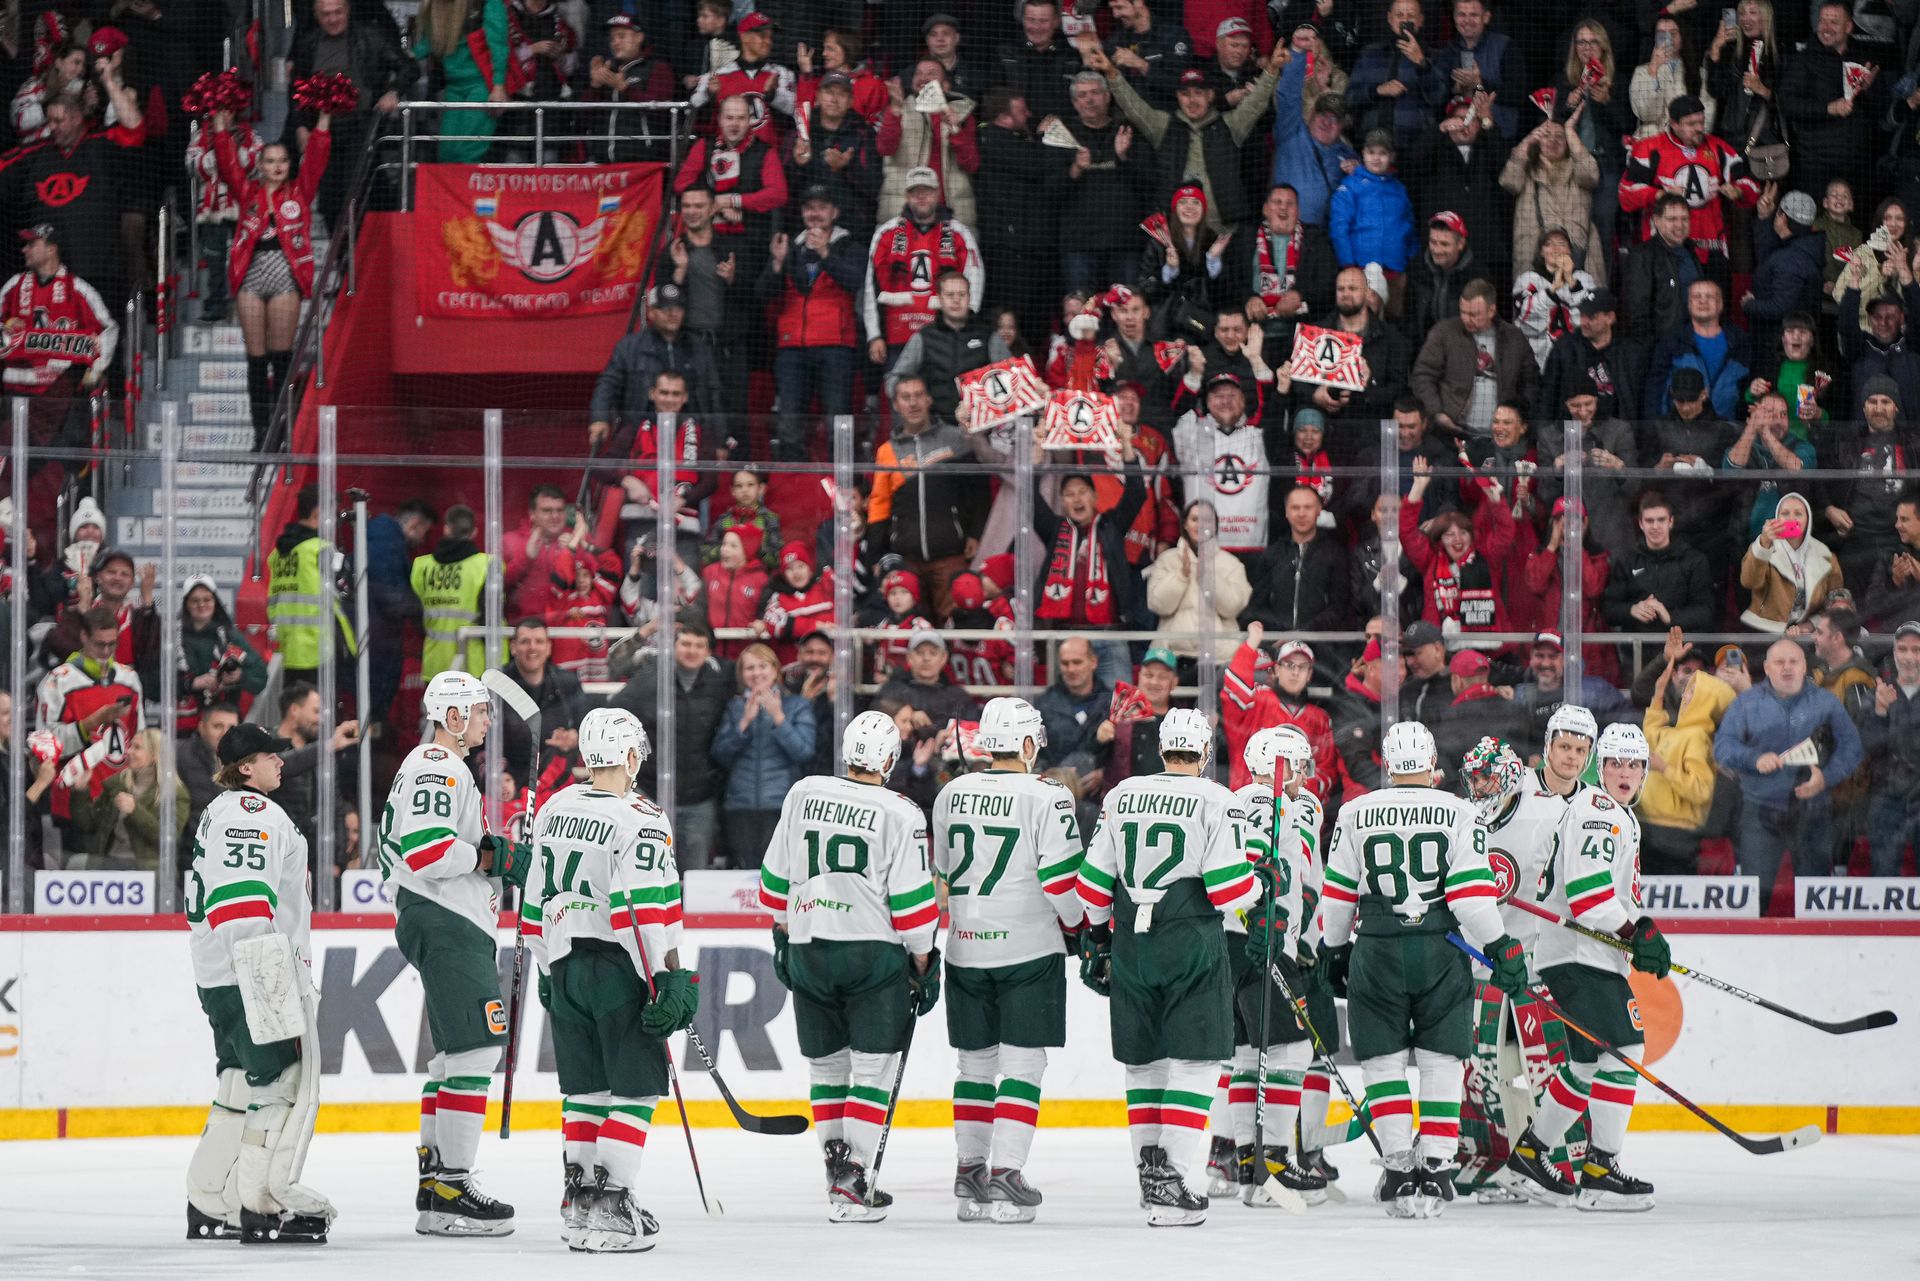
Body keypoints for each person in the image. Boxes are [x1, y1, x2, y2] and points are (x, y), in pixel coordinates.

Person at [1318, 720, 1526, 1218]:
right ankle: (1435, 1169)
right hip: (1440, 947)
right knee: (1441, 1061)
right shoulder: (1458, 811)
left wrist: (1334, 950)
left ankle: (1396, 1171)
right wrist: (1500, 946)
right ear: (1432, 763)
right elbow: (1473, 898)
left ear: (1388, 764)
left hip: (1377, 948)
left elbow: (1339, 894)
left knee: (1383, 1062)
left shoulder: (1354, 811)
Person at [1074, 708, 1258, 1225]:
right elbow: (1228, 890)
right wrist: (1260, 882)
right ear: (1203, 754)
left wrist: (1097, 936)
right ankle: (1172, 1178)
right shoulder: (1216, 799)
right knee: (1196, 1063)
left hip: (1132, 942)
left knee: (1145, 1062)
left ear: (1161, 750)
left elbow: (1090, 888)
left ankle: (1147, 1178)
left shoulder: (1122, 795)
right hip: (1190, 941)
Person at [760, 711, 939, 1221]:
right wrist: (923, 958)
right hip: (870, 953)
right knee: (872, 1067)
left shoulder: (804, 792)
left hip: (809, 948)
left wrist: (782, 934)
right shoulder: (901, 811)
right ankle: (855, 1177)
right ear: (888, 759)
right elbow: (913, 906)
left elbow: (773, 882)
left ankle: (835, 1166)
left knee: (826, 1064)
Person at [531, 707, 694, 1253]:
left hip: (564, 965)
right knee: (638, 1088)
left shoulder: (555, 807)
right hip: (618, 965)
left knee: (585, 1089)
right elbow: (645, 912)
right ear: (629, 755)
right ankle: (612, 1202)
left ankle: (579, 1200)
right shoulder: (641, 818)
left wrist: (545, 966)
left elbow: (532, 903)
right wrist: (668, 979)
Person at [376, 670, 523, 1235]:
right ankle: (453, 1189)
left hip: (443, 918)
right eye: (480, 711)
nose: (486, 720)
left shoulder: (440, 767)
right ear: (454, 717)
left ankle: (435, 1185)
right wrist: (492, 859)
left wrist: (494, 852)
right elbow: (427, 850)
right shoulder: (438, 764)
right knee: (475, 1051)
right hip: (445, 918)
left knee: (450, 1060)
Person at [1499, 723, 1669, 1210]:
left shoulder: (1611, 813)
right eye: (1614, 762)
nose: (1624, 772)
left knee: (1586, 1062)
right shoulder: (1601, 813)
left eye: (1634, 765)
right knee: (1626, 1049)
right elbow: (1589, 896)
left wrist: (1641, 933)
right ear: (1600, 766)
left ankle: (1530, 1157)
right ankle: (1598, 1171)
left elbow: (1610, 898)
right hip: (1579, 955)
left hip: (1575, 953)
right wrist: (1637, 934)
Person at [932, 696, 1085, 1222]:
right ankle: (1006, 1175)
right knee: (1023, 1062)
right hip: (1028, 947)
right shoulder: (1049, 795)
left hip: (965, 946)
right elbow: (1062, 882)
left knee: (973, 1061)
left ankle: (970, 1172)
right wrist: (1079, 927)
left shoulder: (951, 792)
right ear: (1025, 744)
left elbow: (942, 877)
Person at [184, 722, 335, 1243]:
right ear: (244, 767)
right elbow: (243, 905)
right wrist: (271, 979)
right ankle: (261, 1206)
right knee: (279, 1086)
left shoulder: (217, 811)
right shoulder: (253, 813)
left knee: (235, 1085)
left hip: (219, 972)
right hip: (253, 969)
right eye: (271, 756)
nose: (280, 763)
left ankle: (209, 1200)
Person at [1217, 725, 1328, 1207]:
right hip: (1261, 939)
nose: (1304, 776)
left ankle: (1249, 1163)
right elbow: (1267, 867)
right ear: (1286, 766)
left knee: (1246, 1053)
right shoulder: (1270, 803)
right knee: (1292, 1051)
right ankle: (1276, 1164)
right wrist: (1286, 926)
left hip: (1234, 940)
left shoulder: (1238, 801)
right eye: (1299, 765)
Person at [208, 106, 330, 449]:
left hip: (284, 277)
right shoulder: (247, 193)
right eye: (270, 161)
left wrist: (324, 119)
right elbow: (227, 163)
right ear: (260, 167)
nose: (277, 166)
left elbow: (317, 159)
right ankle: (261, 432)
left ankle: (284, 430)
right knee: (256, 360)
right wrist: (220, 124)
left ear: (289, 166)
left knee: (282, 357)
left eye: (283, 161)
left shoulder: (300, 192)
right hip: (251, 276)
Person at [1713, 638, 1864, 907]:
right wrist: (1754, 758)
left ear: (1804, 665)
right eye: (1780, 662)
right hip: (1760, 812)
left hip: (1813, 812)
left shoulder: (1826, 702)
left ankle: (1820, 948)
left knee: (1816, 898)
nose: (1787, 668)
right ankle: (1749, 949)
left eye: (1794, 661)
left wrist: (1826, 778)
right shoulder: (1746, 703)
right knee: (1754, 897)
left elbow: (1852, 748)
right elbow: (1722, 747)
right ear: (1767, 668)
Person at [1088, 42, 1282, 235]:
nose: (1192, 100)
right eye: (1185, 94)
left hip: (1225, 232)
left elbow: (1256, 102)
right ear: (1178, 97)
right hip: (1175, 232)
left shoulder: (1230, 125)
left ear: (1210, 95)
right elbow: (1134, 107)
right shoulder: (1163, 125)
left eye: (1198, 93)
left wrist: (1272, 68)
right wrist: (1111, 73)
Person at [607, 613, 732, 869]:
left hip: (700, 798)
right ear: (674, 646)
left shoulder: (721, 681)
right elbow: (615, 675)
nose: (691, 651)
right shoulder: (653, 676)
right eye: (685, 644)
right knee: (652, 873)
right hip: (651, 793)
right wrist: (646, 631)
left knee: (694, 878)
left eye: (699, 646)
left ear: (708, 650)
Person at [1, 223, 117, 466]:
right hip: (14, 391)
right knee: (11, 459)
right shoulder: (14, 286)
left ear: (52, 249)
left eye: (32, 244)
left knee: (58, 461)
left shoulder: (79, 289)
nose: (25, 250)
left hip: (59, 394)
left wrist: (95, 370)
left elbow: (109, 329)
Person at [289, 0, 408, 230]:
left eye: (337, 13)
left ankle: (358, 257)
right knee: (329, 201)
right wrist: (301, 126)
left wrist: (393, 92)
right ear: (316, 16)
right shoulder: (308, 44)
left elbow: (407, 67)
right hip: (323, 129)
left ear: (348, 11)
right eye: (326, 15)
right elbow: (296, 89)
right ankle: (341, 258)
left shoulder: (370, 37)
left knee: (357, 194)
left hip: (360, 126)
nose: (332, 19)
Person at [865, 167, 985, 371]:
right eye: (915, 192)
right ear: (906, 196)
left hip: (944, 334)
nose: (921, 197)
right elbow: (871, 287)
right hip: (898, 334)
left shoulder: (958, 233)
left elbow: (974, 279)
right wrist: (874, 335)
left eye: (927, 191)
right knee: (902, 396)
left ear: (938, 194)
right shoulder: (886, 233)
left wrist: (966, 327)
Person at [1618, 96, 1757, 270]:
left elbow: (1751, 186)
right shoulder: (1649, 149)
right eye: (1691, 124)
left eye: (1701, 122)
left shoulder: (1718, 147)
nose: (1699, 128)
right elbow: (1626, 193)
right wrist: (1661, 195)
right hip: (1665, 250)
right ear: (1674, 124)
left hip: (1711, 248)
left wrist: (1739, 191)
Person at [37, 603, 145, 827]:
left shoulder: (130, 679)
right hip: (73, 798)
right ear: (84, 637)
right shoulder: (59, 680)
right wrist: (92, 723)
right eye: (100, 644)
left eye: (112, 644)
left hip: (119, 798)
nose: (106, 652)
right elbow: (45, 746)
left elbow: (139, 738)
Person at [711, 642, 817, 868]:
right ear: (742, 674)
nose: (756, 673)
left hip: (780, 803)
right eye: (749, 668)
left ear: (776, 670)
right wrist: (744, 723)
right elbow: (720, 754)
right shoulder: (734, 707)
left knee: (778, 871)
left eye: (762, 666)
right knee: (745, 872)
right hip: (740, 804)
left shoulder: (797, 705)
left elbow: (804, 752)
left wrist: (779, 717)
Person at [1778, 2, 1887, 214]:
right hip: (1816, 167)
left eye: (1833, 22)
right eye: (1822, 21)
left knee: (1857, 235)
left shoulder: (1865, 58)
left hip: (1858, 167)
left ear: (1849, 27)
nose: (1825, 27)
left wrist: (1868, 90)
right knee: (1817, 231)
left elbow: (1882, 111)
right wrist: (1828, 109)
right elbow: (1787, 104)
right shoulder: (1803, 60)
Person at [589, 283, 728, 434]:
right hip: (639, 435)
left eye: (677, 308)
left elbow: (715, 394)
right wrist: (599, 418)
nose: (672, 314)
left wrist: (719, 438)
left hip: (692, 436)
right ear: (651, 312)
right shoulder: (629, 348)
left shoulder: (700, 348)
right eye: (665, 308)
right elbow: (608, 385)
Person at [1818, 377, 1917, 590]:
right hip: (1855, 538)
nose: (1878, 408)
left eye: (1885, 402)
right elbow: (1817, 481)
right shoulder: (1844, 442)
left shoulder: (1913, 443)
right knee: (1854, 601)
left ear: (1896, 407)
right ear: (1863, 407)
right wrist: (1829, 509)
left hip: (1899, 539)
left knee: (1897, 603)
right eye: (1872, 401)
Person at [1411, 279, 1539, 440]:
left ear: (1491, 310)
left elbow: (1531, 382)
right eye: (1463, 312)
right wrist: (1436, 413)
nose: (1466, 319)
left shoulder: (1515, 338)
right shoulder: (1444, 333)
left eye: (1473, 314)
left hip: (1503, 437)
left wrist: (1518, 415)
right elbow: (1423, 376)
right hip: (1452, 433)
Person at [266, 485, 357, 689]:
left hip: (289, 650)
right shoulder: (320, 550)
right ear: (318, 513)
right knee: (318, 716)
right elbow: (345, 592)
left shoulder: (278, 555)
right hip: (319, 651)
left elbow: (272, 604)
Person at [1501, 115, 1604, 288]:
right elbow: (1508, 182)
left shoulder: (1578, 169)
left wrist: (1570, 130)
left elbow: (1591, 175)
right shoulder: (1525, 170)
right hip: (1533, 255)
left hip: (1579, 256)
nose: (1553, 141)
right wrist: (1527, 143)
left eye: (1560, 136)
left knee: (1583, 311)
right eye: (1546, 135)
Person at [496, 619, 589, 806]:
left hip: (556, 785)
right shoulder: (495, 684)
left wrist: (574, 738)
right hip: (507, 789)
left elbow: (587, 729)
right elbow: (479, 745)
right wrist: (495, 775)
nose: (532, 648)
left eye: (539, 641)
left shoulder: (568, 683)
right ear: (513, 647)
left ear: (548, 647)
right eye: (525, 642)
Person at [1144, 500, 1252, 662]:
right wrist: (1181, 575)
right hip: (1172, 656)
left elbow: (1232, 608)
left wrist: (1208, 576)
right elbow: (1158, 605)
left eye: (1207, 520)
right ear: (1185, 524)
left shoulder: (1231, 564)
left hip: (1219, 658)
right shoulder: (1167, 560)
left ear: (1215, 526)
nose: (1200, 525)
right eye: (1194, 519)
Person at [1602, 491, 1717, 635]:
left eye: (1661, 520)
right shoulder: (1626, 560)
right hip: (1636, 650)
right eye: (1649, 521)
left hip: (1682, 650)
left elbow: (1706, 612)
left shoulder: (1694, 560)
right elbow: (1609, 610)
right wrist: (1631, 610)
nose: (1655, 526)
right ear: (1640, 524)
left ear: (1671, 522)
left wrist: (1669, 616)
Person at [71, 726, 185, 869]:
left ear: (155, 755)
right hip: (108, 866)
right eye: (130, 746)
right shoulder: (117, 783)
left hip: (148, 872)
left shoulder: (174, 793)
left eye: (137, 748)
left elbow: (169, 839)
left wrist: (135, 811)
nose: (129, 751)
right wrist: (80, 790)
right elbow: (87, 824)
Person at [1346, 0, 1449, 154]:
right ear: (1389, 18)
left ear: (1420, 20)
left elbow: (1440, 98)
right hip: (1371, 149)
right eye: (1399, 15)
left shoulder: (1436, 56)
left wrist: (1421, 63)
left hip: (1416, 150)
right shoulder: (1370, 54)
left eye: (1411, 15)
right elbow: (1349, 98)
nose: (1405, 20)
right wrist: (1377, 90)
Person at [1739, 490, 1843, 633]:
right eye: (1785, 514)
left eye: (1798, 514)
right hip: (1765, 629)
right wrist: (1763, 544)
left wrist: (1811, 625)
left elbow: (1836, 602)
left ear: (1808, 520)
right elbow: (1749, 582)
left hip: (1809, 633)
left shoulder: (1825, 555)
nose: (1791, 519)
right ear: (1777, 518)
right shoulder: (1763, 548)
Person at [1862, 621, 1920, 875]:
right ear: (1894, 653)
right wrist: (1880, 713)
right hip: (1886, 799)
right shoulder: (1877, 695)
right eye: (1903, 649)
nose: (1909, 657)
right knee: (1883, 875)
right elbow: (1868, 748)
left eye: (1916, 650)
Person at [1330, 129, 1417, 275]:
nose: (1376, 158)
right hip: (1360, 269)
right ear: (1363, 153)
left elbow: (1410, 226)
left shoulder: (1399, 189)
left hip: (1396, 269)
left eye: (1382, 153)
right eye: (1371, 152)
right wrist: (1349, 265)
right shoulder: (1350, 186)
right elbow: (1339, 228)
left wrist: (1410, 258)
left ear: (1392, 156)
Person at [1619, 194, 1701, 343]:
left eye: (1684, 219)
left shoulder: (1692, 251)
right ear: (1656, 221)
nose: (1679, 225)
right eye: (1672, 219)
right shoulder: (1642, 255)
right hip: (1662, 348)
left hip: (1693, 341)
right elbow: (1636, 313)